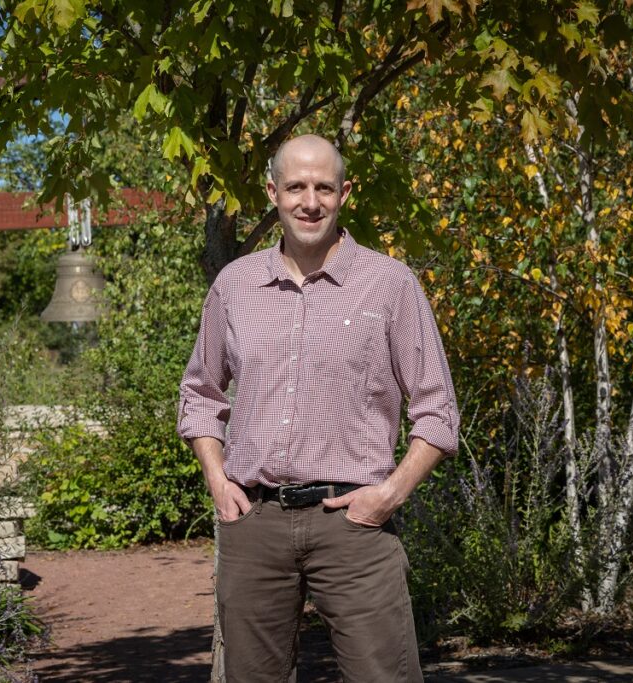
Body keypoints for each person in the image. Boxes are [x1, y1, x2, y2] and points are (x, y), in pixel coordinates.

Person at [177, 134, 459, 682]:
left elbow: (439, 411)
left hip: (355, 526)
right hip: (254, 523)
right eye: (297, 186)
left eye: (324, 187)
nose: (311, 201)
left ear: (344, 193)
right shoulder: (235, 286)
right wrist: (217, 479)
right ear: (273, 192)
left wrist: (388, 496)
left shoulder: (389, 285)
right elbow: (199, 394)